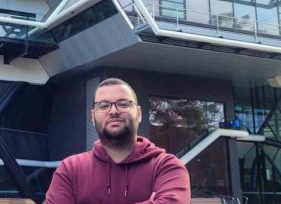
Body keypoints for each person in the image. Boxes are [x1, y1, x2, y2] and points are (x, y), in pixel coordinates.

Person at [45, 78, 190, 204]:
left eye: (123, 104)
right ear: (93, 116)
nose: (113, 111)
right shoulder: (70, 169)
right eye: (104, 106)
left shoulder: (166, 166)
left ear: (139, 113)